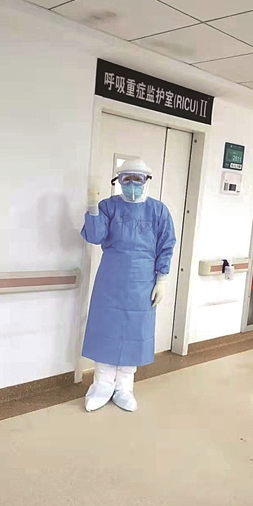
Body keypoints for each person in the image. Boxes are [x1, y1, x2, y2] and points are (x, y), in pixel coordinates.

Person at [81, 158, 176, 413]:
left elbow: (166, 245)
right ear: (119, 181)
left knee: (134, 332)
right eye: (126, 179)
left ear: (146, 181)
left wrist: (162, 279)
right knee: (107, 331)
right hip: (110, 282)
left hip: (143, 284)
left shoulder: (158, 211)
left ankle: (124, 388)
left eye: (138, 179)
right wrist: (92, 208)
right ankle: (102, 386)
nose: (132, 184)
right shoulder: (108, 206)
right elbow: (94, 236)